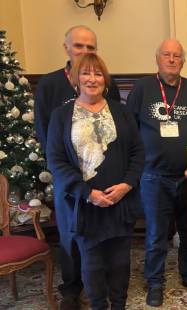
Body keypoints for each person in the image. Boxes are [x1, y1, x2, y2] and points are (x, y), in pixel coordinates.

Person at [46, 54, 144, 310]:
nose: (92, 79)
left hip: (120, 202)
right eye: (86, 73)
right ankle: (99, 306)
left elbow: (138, 152)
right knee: (92, 264)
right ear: (76, 78)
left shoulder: (121, 111)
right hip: (86, 205)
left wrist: (126, 185)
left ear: (105, 79)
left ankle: (119, 305)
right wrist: (87, 193)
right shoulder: (61, 115)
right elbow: (56, 161)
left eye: (98, 74)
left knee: (121, 262)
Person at [33, 25, 121, 310]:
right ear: (66, 48)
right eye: (79, 46)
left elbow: (115, 129)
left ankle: (102, 285)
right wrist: (73, 180)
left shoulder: (107, 82)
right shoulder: (49, 85)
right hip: (69, 181)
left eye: (91, 47)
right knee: (72, 234)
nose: (85, 52)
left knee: (104, 235)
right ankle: (71, 289)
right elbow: (47, 135)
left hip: (103, 177)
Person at [126, 39, 187, 307]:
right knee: (156, 234)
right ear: (157, 59)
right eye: (167, 55)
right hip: (153, 176)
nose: (172, 59)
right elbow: (129, 131)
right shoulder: (142, 88)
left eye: (177, 56)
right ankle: (155, 281)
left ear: (183, 61)